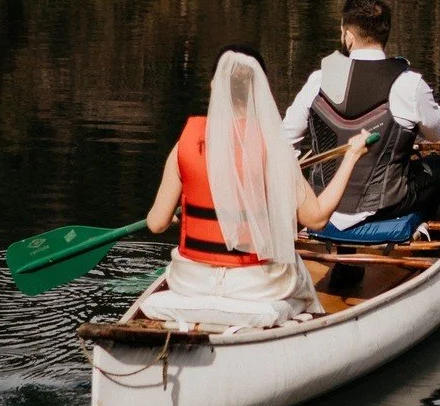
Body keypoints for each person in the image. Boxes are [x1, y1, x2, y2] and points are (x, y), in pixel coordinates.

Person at [140, 46, 373, 330]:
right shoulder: (274, 149)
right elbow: (317, 218)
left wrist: (178, 217)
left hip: (191, 280)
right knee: (297, 269)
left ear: (214, 85)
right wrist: (352, 156)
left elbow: (156, 223)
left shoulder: (185, 143)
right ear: (260, 89)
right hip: (254, 285)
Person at [282, 0, 440, 245]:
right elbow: (437, 133)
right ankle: (433, 247)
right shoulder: (409, 84)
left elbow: (284, 142)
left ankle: (340, 257)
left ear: (348, 36)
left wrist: (302, 193)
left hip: (321, 205)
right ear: (385, 34)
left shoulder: (319, 80)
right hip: (384, 206)